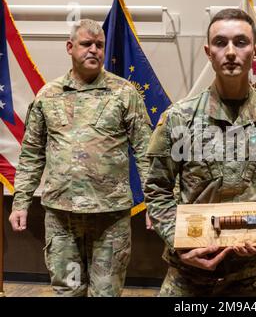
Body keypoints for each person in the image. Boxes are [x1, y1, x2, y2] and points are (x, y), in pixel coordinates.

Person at [144, 8, 256, 297]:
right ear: (208, 52)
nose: (231, 51)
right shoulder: (180, 119)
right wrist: (180, 241)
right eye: (221, 43)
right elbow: (157, 189)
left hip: (253, 273)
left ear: (255, 50)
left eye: (241, 42)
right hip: (189, 270)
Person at [8, 19, 152, 297]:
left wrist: (154, 205)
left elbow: (147, 152)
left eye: (99, 45)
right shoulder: (48, 96)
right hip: (62, 219)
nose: (94, 50)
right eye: (86, 44)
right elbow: (31, 154)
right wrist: (21, 203)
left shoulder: (124, 93)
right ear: (70, 47)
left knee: (106, 293)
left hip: (110, 218)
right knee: (68, 291)